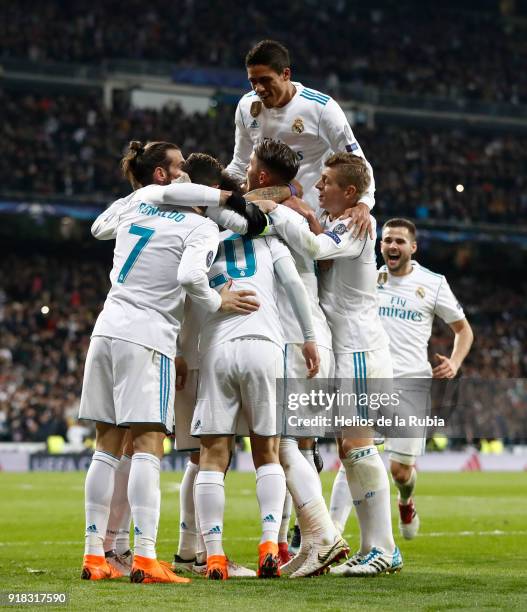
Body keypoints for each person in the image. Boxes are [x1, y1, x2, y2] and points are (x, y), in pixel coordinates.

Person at [79, 140, 258, 584]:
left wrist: (149, 195)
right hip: (148, 336)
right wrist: (218, 300)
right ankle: (144, 558)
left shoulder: (137, 202)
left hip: (106, 327)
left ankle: (94, 557)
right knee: (147, 446)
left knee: (105, 447)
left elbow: (100, 228)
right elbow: (189, 276)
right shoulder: (200, 230)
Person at [257, 152, 402, 577]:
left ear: (350, 191)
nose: (318, 187)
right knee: (350, 447)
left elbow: (318, 247)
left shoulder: (358, 224)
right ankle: (373, 546)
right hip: (347, 347)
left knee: (357, 446)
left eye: (326, 182)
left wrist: (276, 209)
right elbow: (320, 243)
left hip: (358, 346)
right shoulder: (344, 221)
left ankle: (384, 548)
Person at [191, 190, 321, 579]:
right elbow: (296, 288)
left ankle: (213, 555)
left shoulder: (204, 240)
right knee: (268, 451)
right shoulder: (268, 239)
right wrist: (310, 337)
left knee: (212, 455)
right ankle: (268, 546)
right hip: (264, 346)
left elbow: (187, 290)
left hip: (217, 347)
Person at [330, 219, 474, 540]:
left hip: (412, 383)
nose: (392, 247)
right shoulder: (368, 277)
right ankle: (333, 532)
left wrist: (454, 362)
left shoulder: (433, 283)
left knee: (400, 471)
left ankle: (406, 501)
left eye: (399, 242)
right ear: (380, 245)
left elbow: (463, 330)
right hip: (372, 377)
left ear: (413, 247)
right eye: (387, 241)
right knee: (354, 452)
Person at [245, 140, 347, 577]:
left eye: (251, 166)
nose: (246, 172)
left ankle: (324, 535)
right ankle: (311, 545)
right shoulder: (296, 208)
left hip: (293, 340)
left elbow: (236, 200)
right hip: (312, 337)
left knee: (282, 445)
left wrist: (284, 198)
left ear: (264, 176)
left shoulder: (279, 213)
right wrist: (290, 195)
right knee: (300, 447)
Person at [226, 39, 375, 238]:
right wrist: (215, 187)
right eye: (253, 81)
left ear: (286, 74)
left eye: (265, 80)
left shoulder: (321, 108)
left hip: (308, 217)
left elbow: (358, 162)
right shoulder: (246, 106)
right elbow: (239, 163)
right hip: (265, 212)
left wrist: (364, 203)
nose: (259, 88)